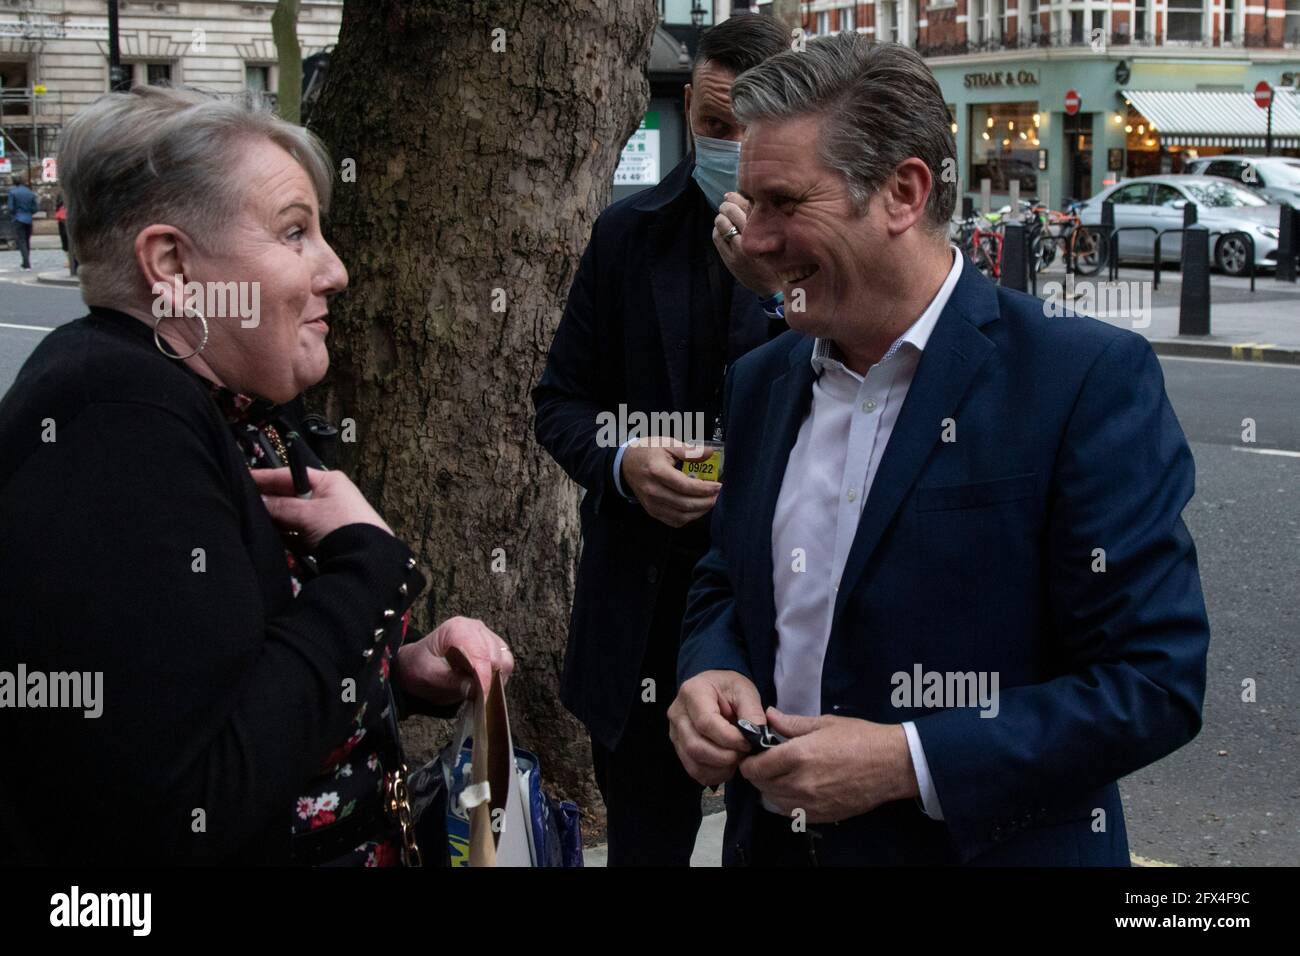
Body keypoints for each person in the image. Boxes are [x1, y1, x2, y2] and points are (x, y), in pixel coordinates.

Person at [668, 36, 1211, 866]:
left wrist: (907, 762)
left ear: (902, 191)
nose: (756, 240)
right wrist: (710, 670)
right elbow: (724, 579)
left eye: (783, 203)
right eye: (752, 203)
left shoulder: (1083, 378)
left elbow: (1154, 682)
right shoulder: (759, 382)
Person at [0, 86, 513, 866]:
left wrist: (392, 675)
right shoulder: (117, 417)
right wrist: (370, 568)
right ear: (170, 263)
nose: (335, 271)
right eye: (294, 233)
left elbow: (225, 681)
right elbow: (186, 801)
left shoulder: (222, 404)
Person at [532, 13, 789, 865]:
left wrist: (782, 291)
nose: (736, 148)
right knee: (647, 845)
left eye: (759, 128)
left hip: (778, 616)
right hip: (640, 612)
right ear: (688, 107)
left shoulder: (823, 254)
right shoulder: (628, 233)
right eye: (719, 125)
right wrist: (620, 463)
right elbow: (559, 402)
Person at [6, 170, 38, 270]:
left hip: (18, 218)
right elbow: (35, 208)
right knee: (27, 241)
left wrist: (14, 215)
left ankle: (26, 263)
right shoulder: (30, 193)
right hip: (28, 219)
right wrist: (29, 213)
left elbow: (10, 207)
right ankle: (25, 262)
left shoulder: (12, 192)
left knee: (21, 241)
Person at [55, 194, 77, 276]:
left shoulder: (62, 194)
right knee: (67, 242)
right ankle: (71, 261)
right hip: (65, 219)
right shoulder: (62, 195)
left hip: (65, 220)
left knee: (67, 241)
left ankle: (72, 261)